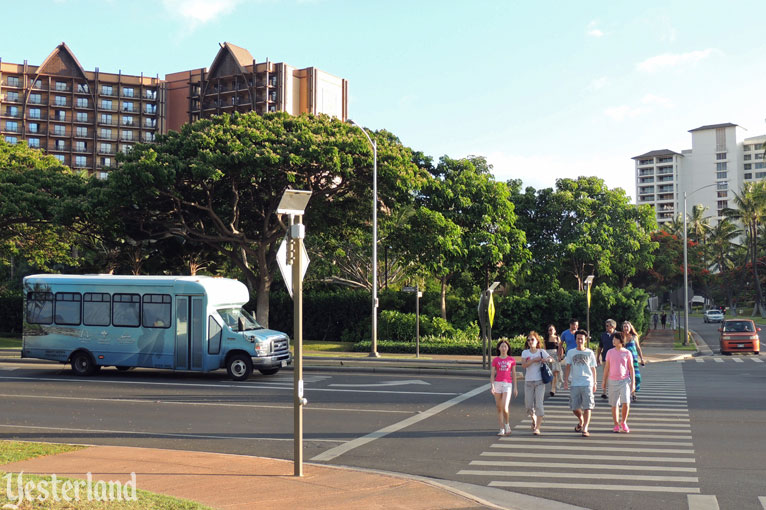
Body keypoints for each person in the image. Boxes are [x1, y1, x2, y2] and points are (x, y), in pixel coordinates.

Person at [563, 329, 598, 437]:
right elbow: (568, 367)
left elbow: (593, 368)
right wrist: (566, 380)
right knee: (574, 407)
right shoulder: (571, 352)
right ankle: (581, 420)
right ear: (575, 340)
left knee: (588, 406)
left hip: (587, 382)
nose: (580, 341)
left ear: (585, 339)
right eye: (578, 339)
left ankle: (585, 428)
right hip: (575, 382)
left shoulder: (589, 352)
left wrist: (595, 382)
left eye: (582, 339)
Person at [602, 332, 636, 433]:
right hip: (612, 381)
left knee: (626, 402)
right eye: (613, 339)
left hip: (624, 381)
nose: (613, 341)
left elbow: (631, 368)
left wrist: (633, 383)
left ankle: (624, 422)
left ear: (621, 341)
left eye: (615, 339)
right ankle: (616, 424)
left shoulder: (627, 353)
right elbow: (606, 368)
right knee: (614, 404)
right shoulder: (609, 352)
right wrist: (604, 381)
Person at [522, 331, 551, 436]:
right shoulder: (525, 353)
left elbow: (551, 359)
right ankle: (533, 418)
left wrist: (545, 359)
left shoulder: (541, 351)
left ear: (537, 341)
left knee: (539, 404)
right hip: (528, 381)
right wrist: (534, 360)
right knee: (528, 405)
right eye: (528, 340)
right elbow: (524, 365)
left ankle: (537, 428)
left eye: (532, 339)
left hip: (539, 381)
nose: (530, 342)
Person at [490, 339, 518, 436]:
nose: (503, 348)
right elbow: (492, 374)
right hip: (498, 384)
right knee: (499, 408)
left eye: (505, 346)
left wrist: (515, 388)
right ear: (498, 348)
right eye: (501, 346)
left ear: (508, 348)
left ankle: (507, 424)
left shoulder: (511, 360)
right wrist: (492, 386)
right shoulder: (495, 360)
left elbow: (514, 374)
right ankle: (501, 428)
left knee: (505, 407)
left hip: (507, 384)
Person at [621, 321, 645, 402]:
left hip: (633, 359)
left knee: (637, 377)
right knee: (626, 377)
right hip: (623, 360)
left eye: (627, 326)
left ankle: (633, 390)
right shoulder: (621, 336)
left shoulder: (634, 337)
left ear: (630, 327)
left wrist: (641, 358)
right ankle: (632, 394)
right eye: (624, 327)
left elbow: (638, 348)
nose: (626, 328)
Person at [596, 319, 617, 399]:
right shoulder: (603, 335)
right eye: (606, 325)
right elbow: (600, 347)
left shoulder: (618, 335)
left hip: (616, 358)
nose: (606, 327)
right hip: (605, 358)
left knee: (614, 375)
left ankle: (614, 391)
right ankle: (604, 392)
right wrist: (598, 357)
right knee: (605, 375)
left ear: (613, 326)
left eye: (608, 325)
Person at [544, 324, 563, 396]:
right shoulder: (546, 339)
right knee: (550, 373)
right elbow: (544, 349)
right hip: (548, 356)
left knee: (555, 372)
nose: (551, 331)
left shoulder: (558, 338)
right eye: (549, 330)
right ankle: (553, 386)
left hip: (555, 356)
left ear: (555, 330)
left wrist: (560, 356)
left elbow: (560, 347)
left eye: (552, 329)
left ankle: (553, 389)